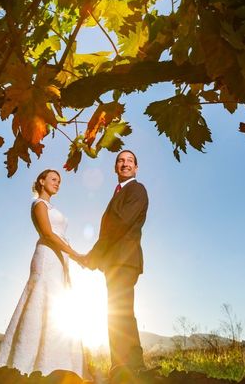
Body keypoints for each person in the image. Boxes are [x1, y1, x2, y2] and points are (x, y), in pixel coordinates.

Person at [0, 169, 86, 377]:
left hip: (59, 259)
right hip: (47, 257)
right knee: (41, 301)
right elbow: (48, 233)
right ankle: (29, 363)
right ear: (41, 181)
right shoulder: (39, 204)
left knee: (56, 305)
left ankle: (59, 362)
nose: (57, 183)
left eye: (59, 181)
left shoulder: (52, 206)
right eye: (53, 179)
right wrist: (76, 255)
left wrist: (69, 259)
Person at [84, 150, 149, 378]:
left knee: (120, 312)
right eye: (121, 161)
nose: (125, 164)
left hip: (125, 260)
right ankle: (123, 366)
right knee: (116, 312)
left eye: (130, 160)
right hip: (114, 262)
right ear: (115, 168)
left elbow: (120, 223)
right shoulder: (118, 193)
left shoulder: (137, 190)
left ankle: (131, 365)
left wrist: (94, 254)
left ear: (136, 168)